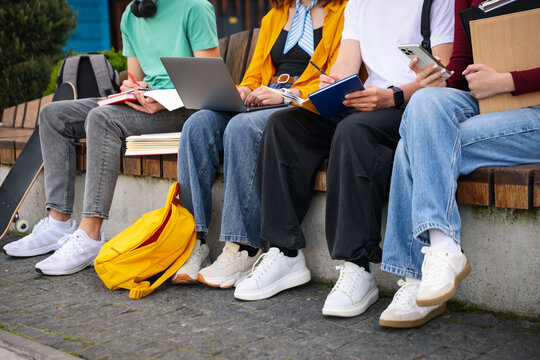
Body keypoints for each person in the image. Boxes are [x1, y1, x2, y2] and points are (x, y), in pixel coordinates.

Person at [234, 0, 455, 316]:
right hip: (366, 101)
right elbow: (346, 65)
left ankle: (357, 267)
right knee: (284, 125)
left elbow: (440, 75)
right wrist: (333, 84)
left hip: (411, 105)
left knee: (353, 132)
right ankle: (284, 252)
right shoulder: (360, 3)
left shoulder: (436, 2)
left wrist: (391, 96)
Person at [2, 0, 220, 275]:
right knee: (53, 115)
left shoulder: (194, 7)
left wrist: (167, 99)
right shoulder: (131, 14)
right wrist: (132, 86)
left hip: (188, 109)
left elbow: (211, 87)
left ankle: (90, 235)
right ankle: (59, 223)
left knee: (102, 119)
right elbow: (136, 78)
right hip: (149, 103)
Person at [379, 0, 540, 328]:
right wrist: (438, 79)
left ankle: (417, 276)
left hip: (533, 111)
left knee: (414, 145)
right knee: (425, 103)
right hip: (492, 106)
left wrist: (509, 81)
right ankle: (444, 250)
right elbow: (463, 68)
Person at [171, 0, 347, 288]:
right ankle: (194, 240)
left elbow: (337, 78)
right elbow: (255, 73)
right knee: (197, 125)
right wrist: (244, 88)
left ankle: (243, 248)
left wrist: (288, 93)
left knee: (241, 127)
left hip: (298, 106)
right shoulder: (275, 16)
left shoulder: (343, 12)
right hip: (263, 99)